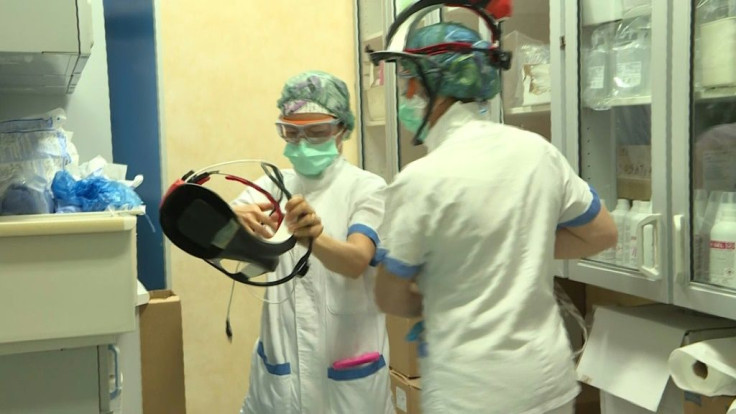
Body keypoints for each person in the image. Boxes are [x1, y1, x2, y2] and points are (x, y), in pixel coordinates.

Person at [371, 20, 618, 414]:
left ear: (431, 88)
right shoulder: (537, 151)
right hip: (547, 383)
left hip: (471, 393)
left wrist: (447, 295)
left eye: (409, 82)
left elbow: (389, 295)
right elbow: (602, 233)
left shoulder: (419, 180)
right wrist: (519, 245)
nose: (407, 94)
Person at [232, 71, 393, 414]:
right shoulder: (272, 184)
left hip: (348, 381)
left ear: (342, 130)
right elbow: (216, 235)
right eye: (292, 132)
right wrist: (232, 219)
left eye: (317, 132)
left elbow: (356, 260)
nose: (303, 143)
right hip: (281, 378)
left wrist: (314, 239)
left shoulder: (366, 188)